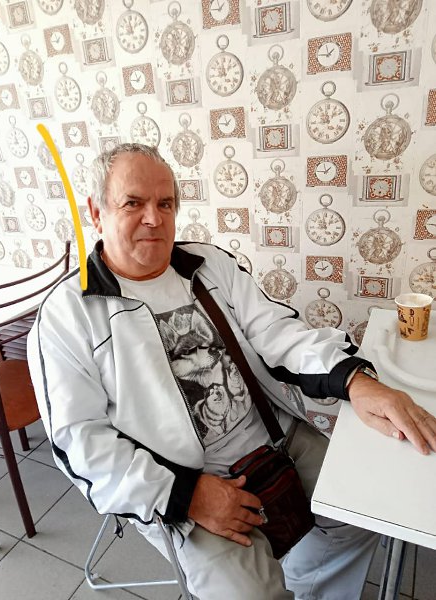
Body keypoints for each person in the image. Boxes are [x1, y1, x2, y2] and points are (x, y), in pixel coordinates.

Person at [27, 143, 436, 600]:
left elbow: (277, 331)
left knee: (359, 510)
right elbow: (80, 441)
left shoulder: (208, 265)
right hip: (181, 479)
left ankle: (310, 587)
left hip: (275, 438)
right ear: (96, 212)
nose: (154, 218)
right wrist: (186, 496)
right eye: (133, 203)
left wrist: (355, 381)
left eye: (165, 203)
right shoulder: (67, 316)